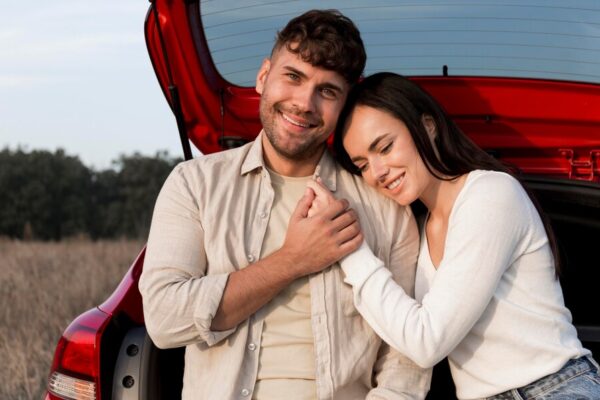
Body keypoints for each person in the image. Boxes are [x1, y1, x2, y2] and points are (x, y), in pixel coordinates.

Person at [139, 12, 431, 400]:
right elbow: (163, 318)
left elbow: (406, 357)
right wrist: (293, 259)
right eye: (293, 77)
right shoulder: (194, 184)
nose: (303, 103)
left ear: (344, 105)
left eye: (327, 91)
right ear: (263, 77)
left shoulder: (384, 204)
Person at [305, 71, 600, 399]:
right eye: (362, 164)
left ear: (427, 127)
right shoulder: (417, 228)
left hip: (553, 389)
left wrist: (349, 247)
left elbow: (426, 341)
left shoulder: (490, 194)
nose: (377, 172)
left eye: (385, 147)